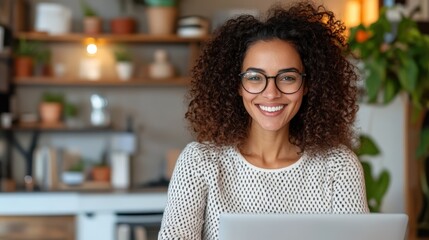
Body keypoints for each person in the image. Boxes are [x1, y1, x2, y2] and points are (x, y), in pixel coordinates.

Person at [159, 1, 369, 239]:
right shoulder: (200, 162)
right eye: (255, 77)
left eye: (288, 78)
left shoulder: (338, 166)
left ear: (308, 84)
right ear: (237, 85)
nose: (271, 93)